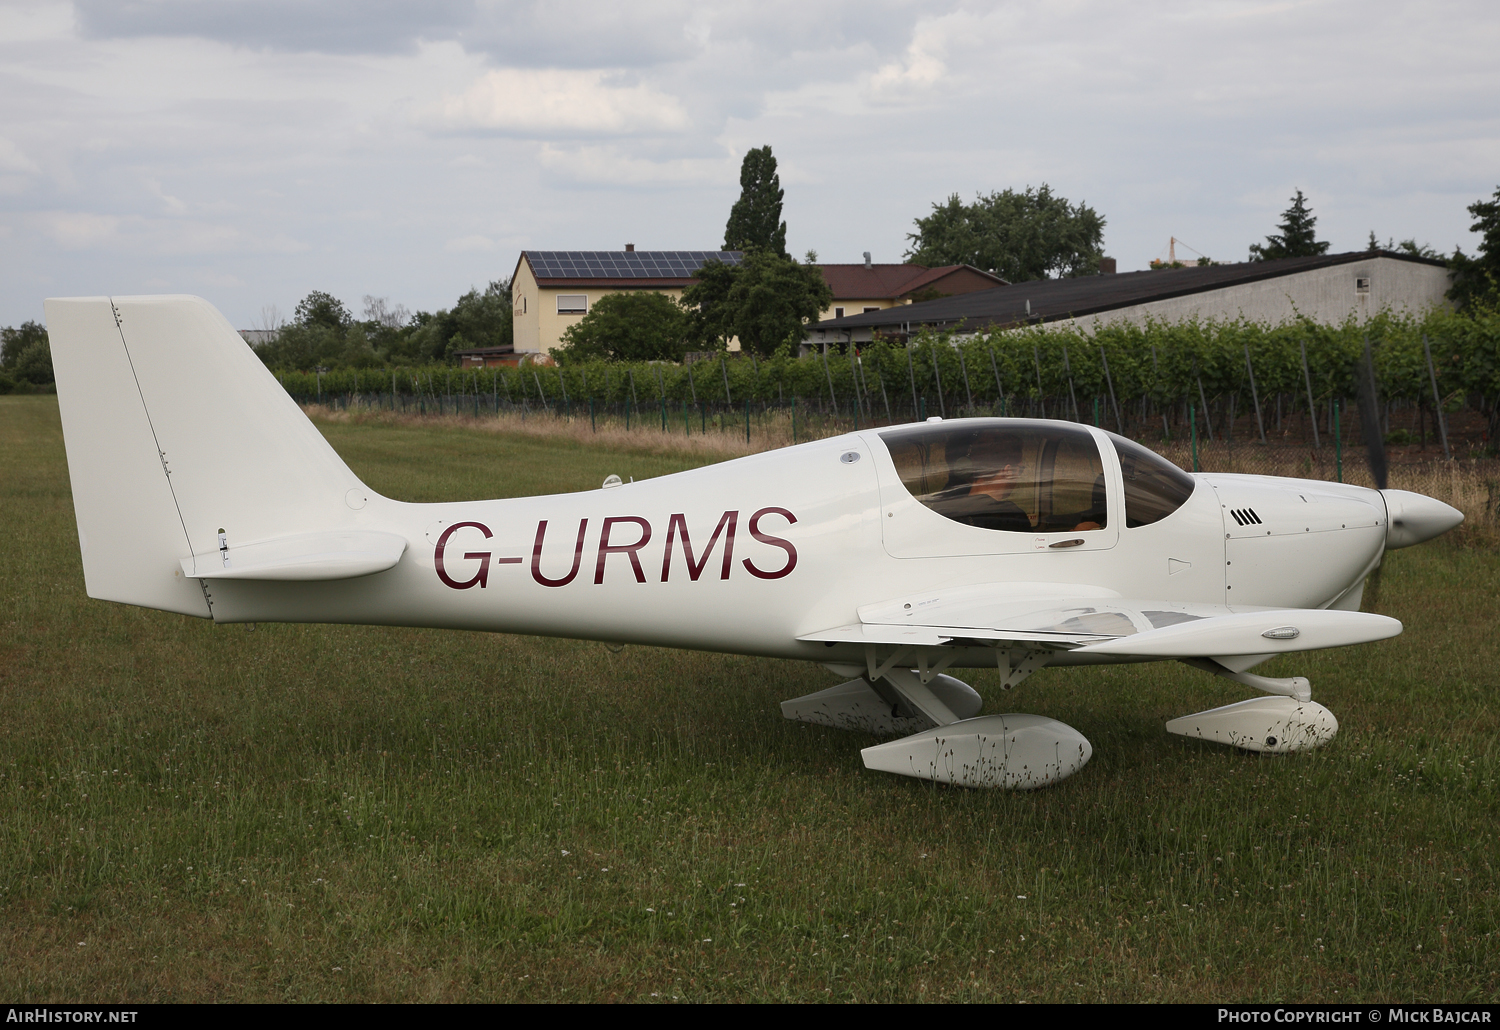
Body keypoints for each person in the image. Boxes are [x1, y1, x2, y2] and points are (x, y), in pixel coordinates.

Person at [935, 431, 1034, 532]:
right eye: (1020, 470)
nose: (1018, 476)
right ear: (1008, 471)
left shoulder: (945, 509)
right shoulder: (1011, 516)